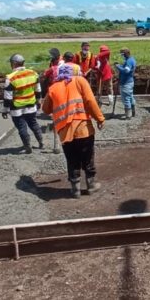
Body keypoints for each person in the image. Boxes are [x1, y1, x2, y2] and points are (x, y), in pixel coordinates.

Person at [42, 64, 105, 199]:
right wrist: (100, 119)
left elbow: (45, 109)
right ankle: (91, 186)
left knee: (72, 160)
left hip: (65, 133)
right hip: (83, 129)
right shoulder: (80, 80)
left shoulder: (53, 88)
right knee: (87, 157)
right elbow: (90, 101)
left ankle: (75, 189)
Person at [2, 54, 44, 154]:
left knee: (21, 127)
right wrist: (38, 101)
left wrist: (5, 110)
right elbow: (38, 90)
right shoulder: (33, 73)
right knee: (33, 124)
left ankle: (27, 146)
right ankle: (41, 142)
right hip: (31, 105)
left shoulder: (10, 78)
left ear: (14, 64)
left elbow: (8, 97)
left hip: (16, 107)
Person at [115, 47, 137, 119]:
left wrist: (118, 67)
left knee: (126, 98)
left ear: (126, 54)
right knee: (130, 97)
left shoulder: (128, 61)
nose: (122, 56)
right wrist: (120, 65)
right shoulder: (131, 60)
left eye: (122, 54)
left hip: (126, 83)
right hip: (130, 82)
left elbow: (126, 71)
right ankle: (133, 111)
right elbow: (126, 68)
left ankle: (128, 115)